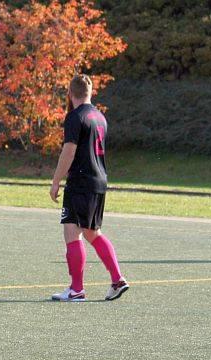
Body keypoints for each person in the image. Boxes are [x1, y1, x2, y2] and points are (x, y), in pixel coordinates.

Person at [49, 74, 128, 302]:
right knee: (92, 233)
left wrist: (56, 181)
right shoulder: (99, 117)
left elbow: (69, 151)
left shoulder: (75, 117)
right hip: (98, 181)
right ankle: (117, 279)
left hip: (80, 182)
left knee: (72, 232)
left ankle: (76, 290)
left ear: (70, 93)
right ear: (91, 92)